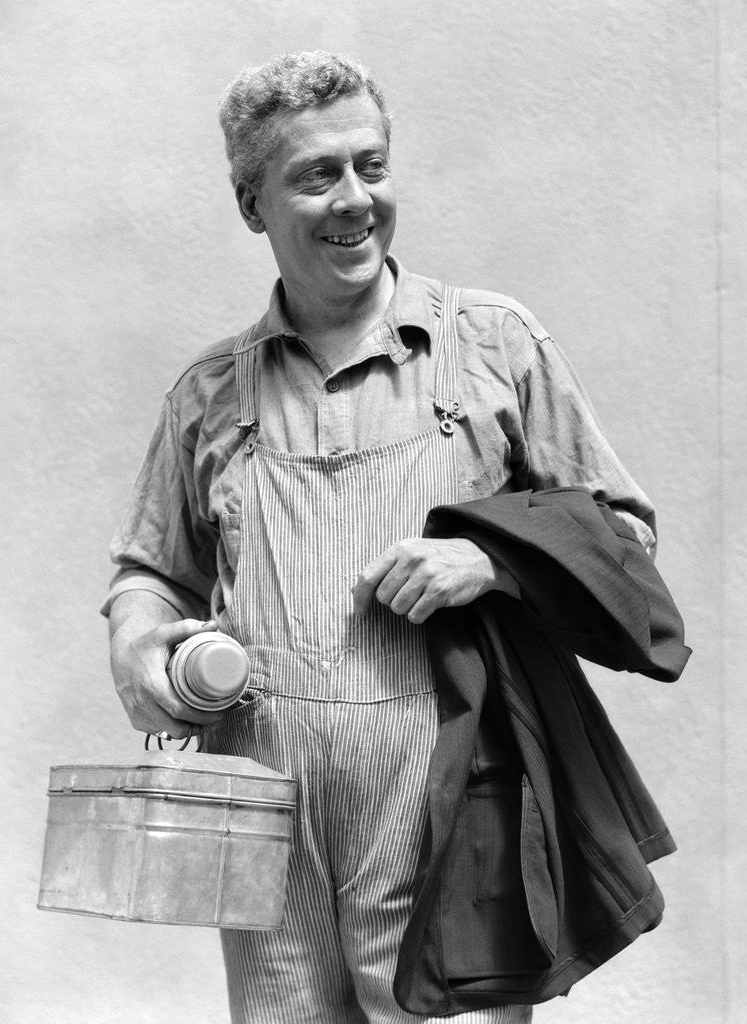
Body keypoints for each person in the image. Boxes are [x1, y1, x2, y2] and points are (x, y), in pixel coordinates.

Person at [104, 51, 661, 1024]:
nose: (355, 198)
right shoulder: (208, 396)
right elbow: (153, 571)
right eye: (318, 174)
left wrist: (493, 560)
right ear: (252, 204)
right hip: (269, 828)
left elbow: (623, 534)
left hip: (450, 806)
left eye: (371, 164)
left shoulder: (492, 344)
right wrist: (138, 642)